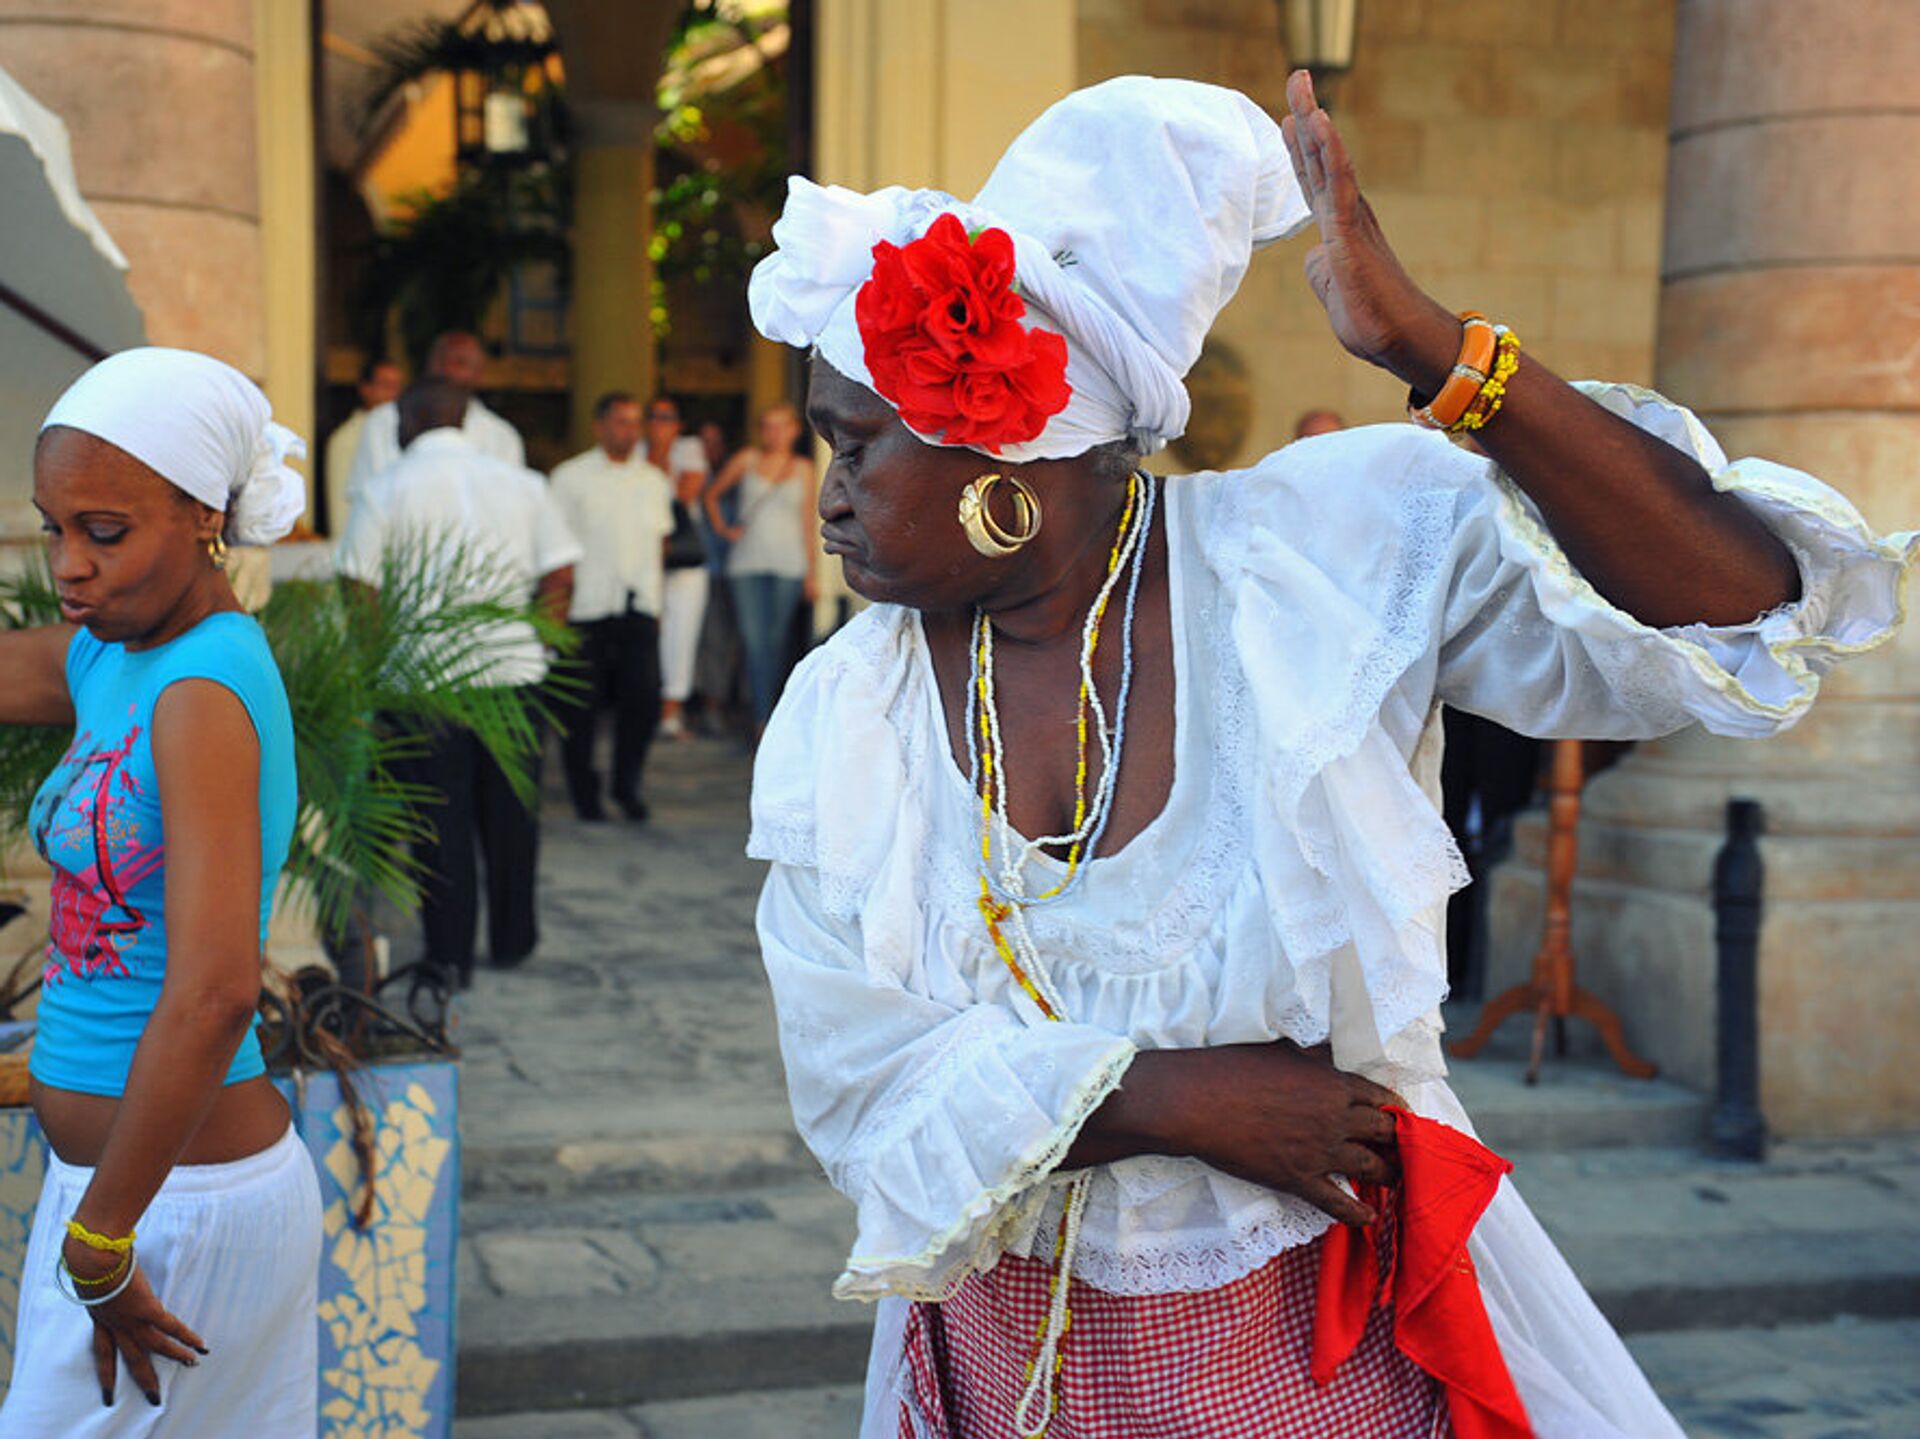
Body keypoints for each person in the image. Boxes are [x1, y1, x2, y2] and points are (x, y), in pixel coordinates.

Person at [743, 74, 1916, 1439]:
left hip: (1327, 1344)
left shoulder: (1317, 556)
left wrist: (1437, 348)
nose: (825, 492)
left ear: (1004, 447)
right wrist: (1175, 1096)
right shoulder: (848, 708)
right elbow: (851, 1069)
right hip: (1011, 1373)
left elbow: (1744, 602)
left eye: (856, 444)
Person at [0, 348, 320, 1435]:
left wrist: (101, 1242)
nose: (68, 567)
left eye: (105, 530)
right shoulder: (111, 653)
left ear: (201, 515)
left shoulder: (201, 687)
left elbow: (214, 991)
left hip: (170, 1209)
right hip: (124, 1196)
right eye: (53, 527)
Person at [335, 378, 580, 985]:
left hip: (422, 681)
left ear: (407, 422)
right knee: (512, 814)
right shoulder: (524, 485)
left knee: (437, 822)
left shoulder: (384, 488)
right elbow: (561, 570)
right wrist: (541, 640)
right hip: (514, 673)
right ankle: (513, 941)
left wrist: (372, 664)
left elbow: (357, 586)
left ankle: (450, 957)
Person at [549, 392, 675, 822]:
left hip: (637, 607)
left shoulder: (652, 481)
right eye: (620, 422)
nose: (629, 430)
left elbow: (658, 545)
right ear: (599, 425)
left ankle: (627, 786)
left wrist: (657, 607)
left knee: (642, 702)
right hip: (584, 609)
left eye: (634, 422)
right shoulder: (570, 478)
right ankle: (585, 793)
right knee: (579, 710)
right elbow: (555, 550)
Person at [704, 402, 818, 733]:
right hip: (745, 563)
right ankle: (761, 718)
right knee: (754, 642)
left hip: (789, 564)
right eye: (767, 425)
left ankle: (773, 713)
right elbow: (711, 495)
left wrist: (812, 573)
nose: (774, 433)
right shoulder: (746, 460)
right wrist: (724, 529)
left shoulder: (803, 468)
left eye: (781, 425)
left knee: (776, 640)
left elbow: (808, 522)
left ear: (795, 430)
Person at [341, 331, 524, 504]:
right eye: (441, 360)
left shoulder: (502, 436)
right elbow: (365, 499)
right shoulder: (383, 422)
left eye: (461, 363)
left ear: (479, 374)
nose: (447, 368)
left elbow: (510, 506)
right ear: (430, 365)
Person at [647, 397, 712, 739]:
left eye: (666, 418)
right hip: (646, 555)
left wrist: (662, 452)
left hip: (684, 556)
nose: (659, 424)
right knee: (650, 635)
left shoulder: (689, 449)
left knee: (681, 634)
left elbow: (682, 495)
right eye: (654, 417)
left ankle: (672, 713)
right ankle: (649, 709)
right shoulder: (638, 450)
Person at [322, 356, 403, 538]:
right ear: (366, 389)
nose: (393, 394)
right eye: (386, 386)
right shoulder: (345, 439)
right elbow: (341, 505)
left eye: (397, 387)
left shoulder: (403, 431)